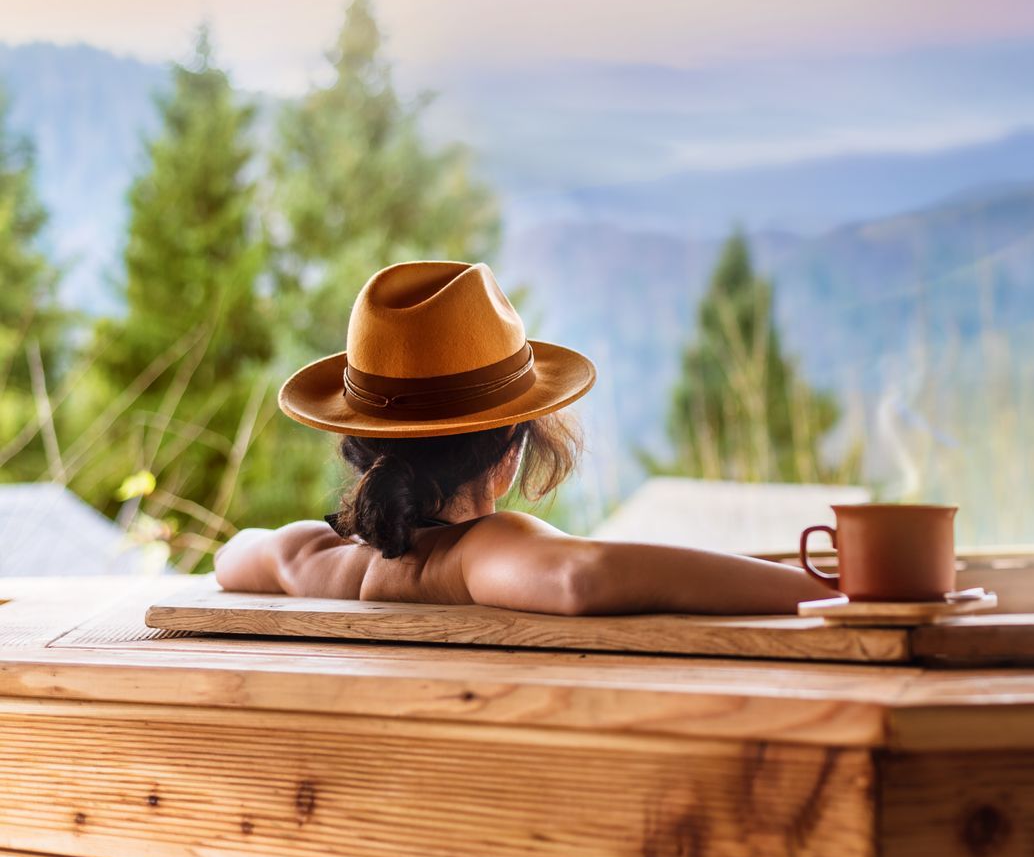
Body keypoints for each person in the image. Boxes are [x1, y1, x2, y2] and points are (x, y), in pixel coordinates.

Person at [214, 260, 838, 615]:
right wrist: (831, 591)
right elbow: (580, 577)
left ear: (361, 445)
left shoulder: (316, 558)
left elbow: (235, 552)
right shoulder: (478, 553)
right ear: (508, 455)